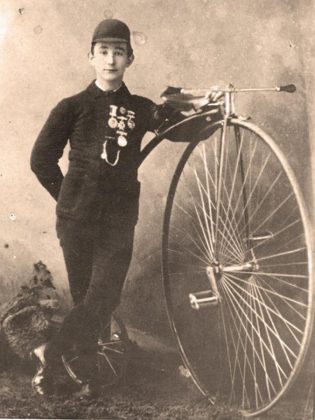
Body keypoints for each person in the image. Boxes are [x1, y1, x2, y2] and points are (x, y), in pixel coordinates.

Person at [30, 18, 218, 399]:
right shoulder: (72, 107)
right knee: (86, 299)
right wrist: (67, 199)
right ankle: (80, 378)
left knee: (102, 298)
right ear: (91, 57)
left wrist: (212, 113)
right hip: (76, 222)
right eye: (103, 52)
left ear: (130, 59)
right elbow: (41, 160)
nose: (110, 60)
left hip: (117, 221)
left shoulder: (141, 108)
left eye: (119, 52)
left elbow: (180, 129)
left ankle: (49, 353)